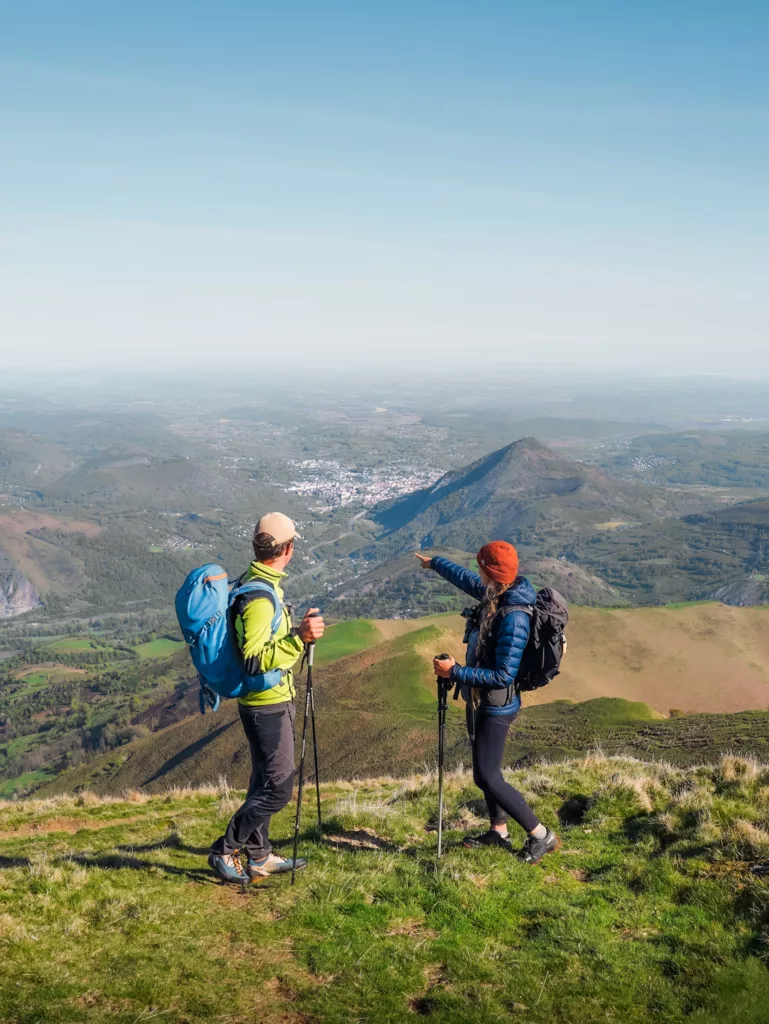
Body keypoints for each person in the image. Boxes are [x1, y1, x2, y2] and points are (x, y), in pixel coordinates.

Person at [415, 542, 559, 865]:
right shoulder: (495, 593)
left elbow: (503, 675)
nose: (477, 571)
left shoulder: (515, 617)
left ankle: (541, 835)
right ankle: (499, 831)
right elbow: (466, 579)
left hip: (496, 706)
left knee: (489, 776)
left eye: (481, 567)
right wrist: (434, 563)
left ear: (492, 573)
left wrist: (456, 672)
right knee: (483, 774)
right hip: (479, 700)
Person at [209, 512, 324, 884]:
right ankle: (225, 849)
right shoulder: (260, 596)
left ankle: (259, 855)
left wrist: (292, 632)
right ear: (287, 548)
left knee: (263, 782)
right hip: (266, 705)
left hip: (267, 702)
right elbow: (255, 661)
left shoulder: (258, 584)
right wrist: (299, 639)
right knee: (278, 789)